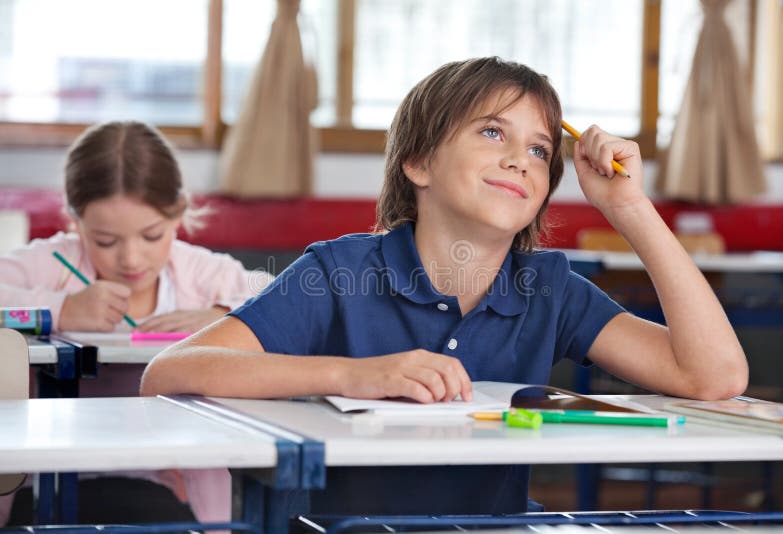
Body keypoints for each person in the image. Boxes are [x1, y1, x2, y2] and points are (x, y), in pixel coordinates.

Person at [141, 57, 748, 515]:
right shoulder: (340, 271)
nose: (519, 159)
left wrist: (630, 208)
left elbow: (714, 378)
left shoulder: (549, 286)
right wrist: (352, 375)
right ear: (419, 162)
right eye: (491, 133)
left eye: (540, 150)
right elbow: (169, 373)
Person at [0, 121, 267, 525]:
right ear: (75, 221)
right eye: (105, 241)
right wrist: (62, 308)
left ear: (178, 213)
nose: (131, 259)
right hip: (48, 482)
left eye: (151, 235)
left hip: (171, 490)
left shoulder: (196, 272)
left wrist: (223, 315)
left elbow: (276, 294)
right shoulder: (55, 264)